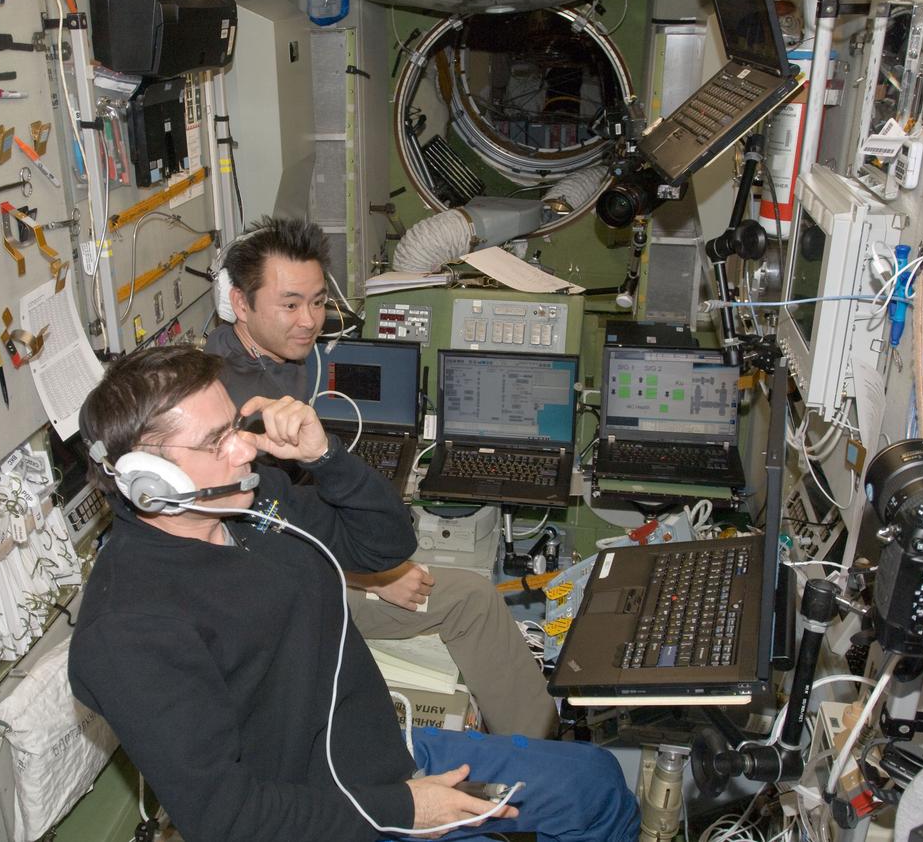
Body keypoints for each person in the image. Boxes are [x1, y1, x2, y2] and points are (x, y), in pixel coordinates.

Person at [69, 345, 639, 842]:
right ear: (148, 479)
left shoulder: (248, 503)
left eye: (234, 428)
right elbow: (228, 819)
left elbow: (383, 547)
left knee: (597, 782)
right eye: (216, 441)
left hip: (384, 755)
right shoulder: (130, 628)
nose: (245, 449)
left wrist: (325, 456)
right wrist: (406, 808)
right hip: (322, 814)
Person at [204, 217, 559, 739]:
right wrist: (371, 577)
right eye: (290, 304)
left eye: (318, 301)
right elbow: (258, 531)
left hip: (317, 544)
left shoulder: (268, 354)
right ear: (241, 304)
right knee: (473, 598)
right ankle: (543, 760)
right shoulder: (234, 402)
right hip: (289, 581)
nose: (310, 321)